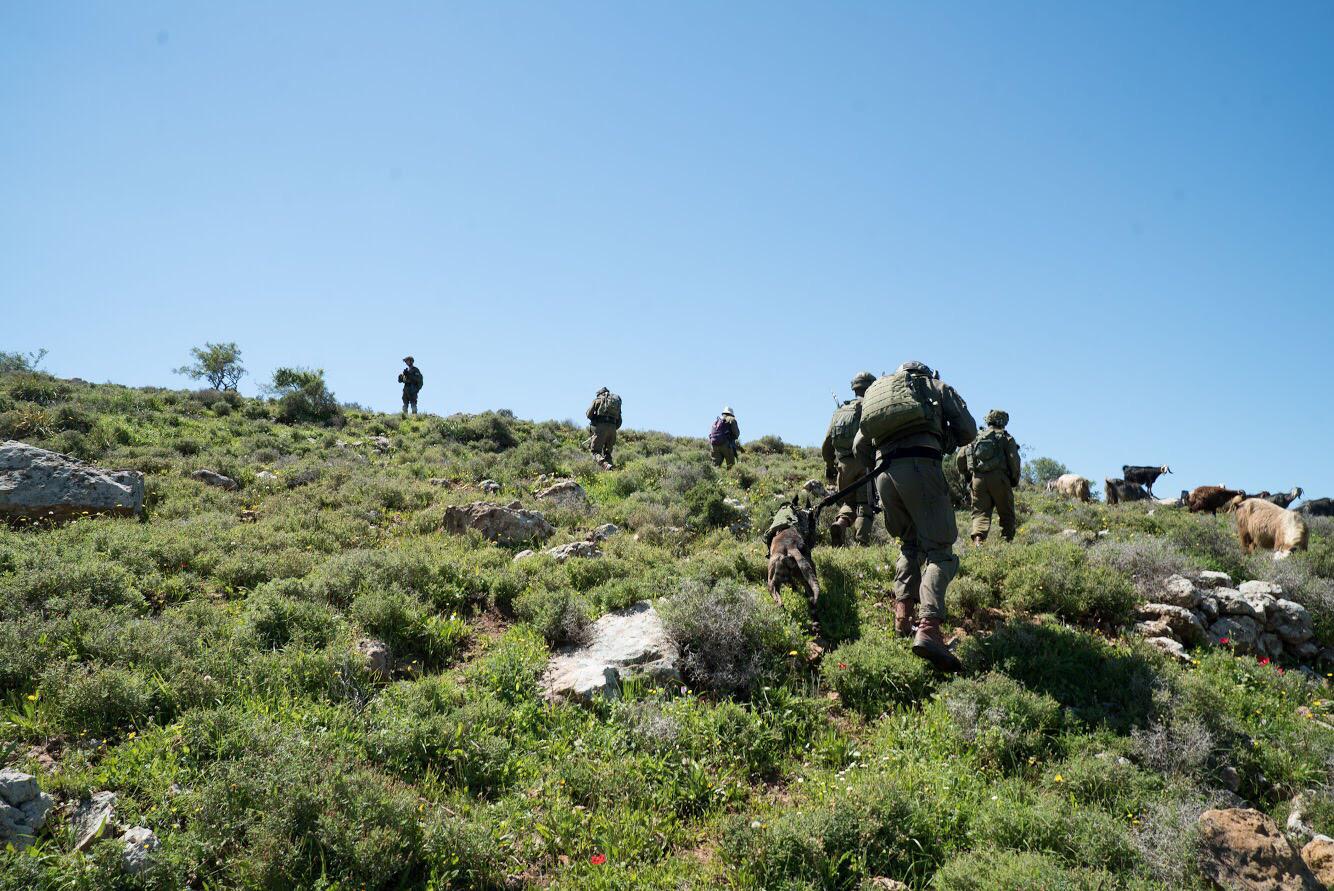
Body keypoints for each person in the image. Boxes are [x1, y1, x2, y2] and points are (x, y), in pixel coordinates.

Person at [853, 360, 976, 671]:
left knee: (909, 545)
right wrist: (942, 440)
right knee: (940, 552)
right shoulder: (935, 386)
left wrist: (881, 461)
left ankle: (902, 619)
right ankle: (929, 630)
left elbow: (859, 446)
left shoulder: (881, 395)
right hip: (921, 467)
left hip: (884, 475)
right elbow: (968, 430)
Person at [821, 371, 876, 546]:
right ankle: (861, 544)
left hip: (843, 467)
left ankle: (840, 524)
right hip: (864, 465)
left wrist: (830, 465)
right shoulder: (870, 407)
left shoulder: (839, 412)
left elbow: (826, 444)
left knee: (848, 502)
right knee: (865, 506)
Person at [958, 409, 1021, 544]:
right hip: (999, 479)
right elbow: (1014, 461)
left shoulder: (975, 437)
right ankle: (1007, 541)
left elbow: (960, 458)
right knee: (1006, 512)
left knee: (980, 512)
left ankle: (978, 541)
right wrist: (1014, 479)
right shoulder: (1006, 438)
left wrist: (968, 476)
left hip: (978, 480)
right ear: (1003, 422)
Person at [585, 387, 622, 468]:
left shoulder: (598, 399)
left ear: (599, 394)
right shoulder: (616, 402)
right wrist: (611, 429)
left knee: (595, 451)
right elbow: (619, 422)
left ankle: (605, 466)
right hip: (613, 428)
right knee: (607, 453)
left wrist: (597, 422)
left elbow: (588, 414)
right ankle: (611, 469)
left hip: (601, 427)